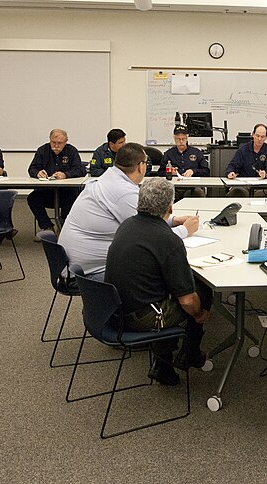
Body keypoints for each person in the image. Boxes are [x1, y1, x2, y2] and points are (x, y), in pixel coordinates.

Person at [104, 178, 213, 386]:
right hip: (139, 317)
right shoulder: (168, 240)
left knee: (170, 290)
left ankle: (165, 364)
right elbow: (188, 301)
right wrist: (200, 314)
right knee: (201, 290)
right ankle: (189, 353)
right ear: (170, 207)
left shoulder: (127, 225)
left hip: (111, 310)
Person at [58, 143, 199, 278]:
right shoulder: (123, 192)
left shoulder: (109, 179)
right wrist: (185, 230)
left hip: (75, 264)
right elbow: (151, 237)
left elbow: (144, 219)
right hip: (90, 273)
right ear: (140, 167)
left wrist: (172, 221)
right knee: (160, 270)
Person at [27, 129, 85, 234]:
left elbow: (80, 170)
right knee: (32, 198)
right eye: (53, 142)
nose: (56, 145)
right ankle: (47, 226)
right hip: (46, 191)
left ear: (66, 141)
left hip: (66, 191)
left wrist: (66, 175)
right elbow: (32, 168)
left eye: (60, 143)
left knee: (72, 198)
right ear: (50, 140)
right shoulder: (42, 150)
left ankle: (63, 228)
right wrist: (38, 173)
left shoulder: (72, 151)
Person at [157, 125, 210, 198]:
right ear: (174, 138)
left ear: (187, 137)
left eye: (183, 139)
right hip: (174, 187)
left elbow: (206, 172)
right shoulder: (168, 154)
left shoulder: (196, 152)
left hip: (192, 187)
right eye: (178, 139)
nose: (181, 141)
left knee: (197, 194)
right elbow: (160, 172)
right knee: (165, 196)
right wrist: (169, 172)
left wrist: (193, 171)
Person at [225, 123, 267, 197]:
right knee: (237, 193)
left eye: (262, 137)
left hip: (262, 185)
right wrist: (230, 172)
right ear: (253, 135)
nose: (259, 139)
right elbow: (233, 165)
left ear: (266, 137)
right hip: (244, 184)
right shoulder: (243, 149)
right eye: (257, 136)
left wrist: (266, 174)